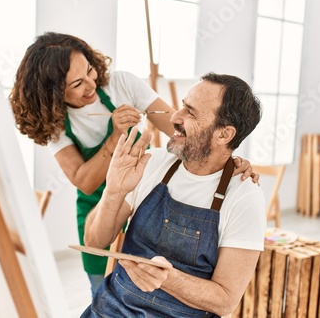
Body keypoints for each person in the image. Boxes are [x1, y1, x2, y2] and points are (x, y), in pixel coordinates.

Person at [9, 32, 258, 295]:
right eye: (77, 84)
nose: (91, 85)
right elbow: (85, 180)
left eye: (90, 71)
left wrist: (226, 157)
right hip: (98, 202)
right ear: (53, 92)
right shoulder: (55, 121)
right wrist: (115, 136)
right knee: (103, 286)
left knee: (149, 280)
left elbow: (180, 129)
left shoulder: (122, 84)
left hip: (144, 193)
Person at [81, 72, 266, 318]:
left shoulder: (244, 197)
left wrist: (168, 279)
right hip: (109, 310)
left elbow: (225, 301)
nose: (175, 117)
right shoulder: (152, 162)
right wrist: (114, 191)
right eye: (182, 106)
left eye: (191, 112)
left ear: (224, 134)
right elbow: (94, 242)